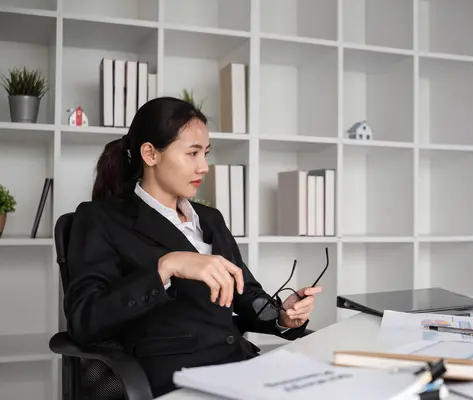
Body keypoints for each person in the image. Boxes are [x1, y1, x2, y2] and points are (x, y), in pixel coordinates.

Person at [63, 96, 323, 397]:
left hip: (240, 367)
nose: (204, 166)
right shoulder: (100, 219)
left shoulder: (210, 219)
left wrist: (282, 316)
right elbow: (84, 319)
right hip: (174, 379)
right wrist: (167, 266)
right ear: (150, 154)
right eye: (193, 153)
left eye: (206, 153)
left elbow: (246, 294)